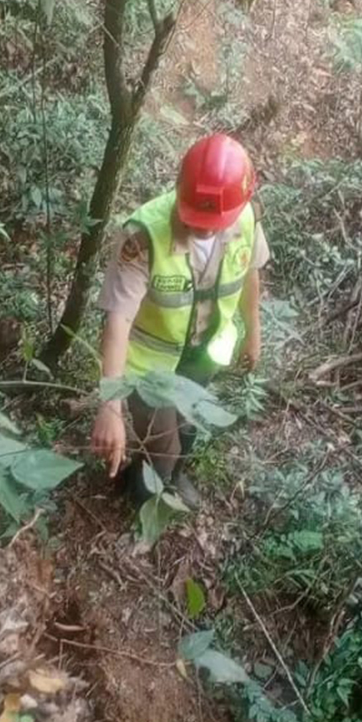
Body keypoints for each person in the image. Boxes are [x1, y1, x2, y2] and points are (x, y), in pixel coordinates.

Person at [90, 133, 270, 506]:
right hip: (150, 365)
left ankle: (173, 478)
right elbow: (118, 319)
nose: (203, 228)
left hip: (204, 353)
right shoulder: (144, 235)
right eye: (196, 218)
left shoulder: (245, 217)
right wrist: (109, 406)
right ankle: (146, 506)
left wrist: (253, 331)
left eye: (213, 221)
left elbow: (250, 272)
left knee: (189, 424)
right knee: (163, 446)